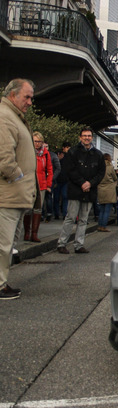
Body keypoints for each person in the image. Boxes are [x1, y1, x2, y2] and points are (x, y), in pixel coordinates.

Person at [0, 78, 39, 300]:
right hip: (7, 194)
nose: (30, 102)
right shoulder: (5, 117)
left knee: (6, 245)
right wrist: (18, 177)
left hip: (13, 194)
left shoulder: (12, 117)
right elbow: (4, 157)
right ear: (13, 95)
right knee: (2, 245)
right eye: (27, 97)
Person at [57, 127, 104, 254]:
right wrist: (82, 182)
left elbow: (101, 173)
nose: (87, 138)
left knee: (83, 219)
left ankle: (79, 244)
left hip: (90, 191)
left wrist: (90, 183)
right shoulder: (73, 152)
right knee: (70, 217)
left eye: (89, 135)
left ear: (92, 137)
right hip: (75, 190)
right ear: (80, 137)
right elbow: (70, 170)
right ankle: (62, 243)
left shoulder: (98, 155)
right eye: (84, 135)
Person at [23, 132, 52, 243]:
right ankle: (27, 232)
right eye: (35, 141)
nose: (37, 143)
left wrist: (48, 184)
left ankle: (34, 233)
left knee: (38, 208)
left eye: (39, 141)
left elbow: (49, 169)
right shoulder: (28, 152)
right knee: (28, 208)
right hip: (29, 183)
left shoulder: (45, 154)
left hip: (42, 184)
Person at [96, 153, 118, 232]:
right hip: (109, 189)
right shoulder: (110, 167)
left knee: (102, 209)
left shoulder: (99, 167)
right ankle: (104, 226)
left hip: (100, 189)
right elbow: (115, 177)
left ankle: (99, 225)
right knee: (107, 210)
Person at [43, 142, 60, 222]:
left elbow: (58, 168)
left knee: (48, 197)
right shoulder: (39, 155)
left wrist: (52, 178)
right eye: (44, 146)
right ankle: (41, 214)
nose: (45, 148)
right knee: (41, 197)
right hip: (41, 179)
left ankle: (49, 213)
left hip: (50, 179)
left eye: (47, 146)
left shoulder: (52, 155)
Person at [53, 143, 71, 219]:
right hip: (57, 179)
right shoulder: (58, 155)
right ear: (63, 148)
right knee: (56, 198)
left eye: (69, 147)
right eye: (67, 147)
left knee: (65, 197)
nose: (68, 149)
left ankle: (64, 214)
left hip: (65, 180)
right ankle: (56, 214)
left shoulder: (70, 156)